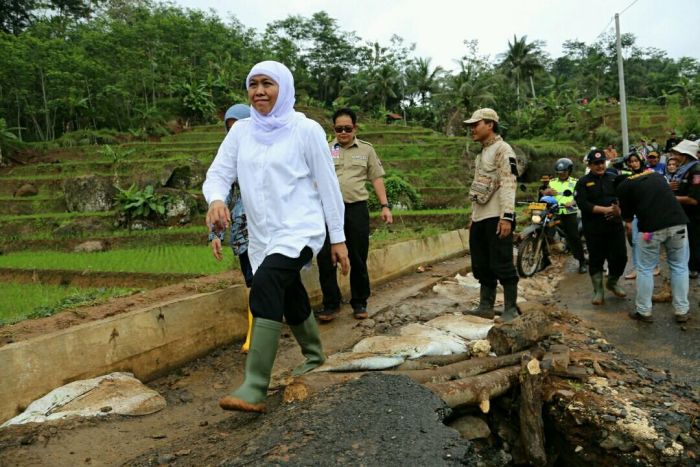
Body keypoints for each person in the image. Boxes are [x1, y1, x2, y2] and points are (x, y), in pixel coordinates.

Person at [203, 61, 349, 413]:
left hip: (300, 229)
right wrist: (217, 199)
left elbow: (328, 187)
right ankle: (314, 354)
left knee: (266, 283)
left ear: (283, 87)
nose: (259, 91)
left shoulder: (306, 130)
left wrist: (338, 238)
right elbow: (218, 173)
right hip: (261, 235)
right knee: (287, 290)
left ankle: (255, 384)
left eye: (267, 83)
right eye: (252, 84)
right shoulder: (241, 133)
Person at [316, 108, 393, 322]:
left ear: (355, 128)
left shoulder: (367, 150)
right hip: (329, 211)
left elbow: (376, 178)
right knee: (325, 257)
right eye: (339, 129)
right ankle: (331, 304)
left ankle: (359, 302)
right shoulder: (324, 149)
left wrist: (385, 206)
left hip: (356, 209)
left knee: (358, 256)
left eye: (347, 128)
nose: (343, 132)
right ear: (334, 129)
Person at [463, 108, 519, 321]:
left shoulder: (503, 150)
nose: (472, 130)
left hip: (496, 216)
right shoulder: (481, 154)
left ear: (490, 125)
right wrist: (473, 216)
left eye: (475, 125)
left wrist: (507, 217)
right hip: (480, 217)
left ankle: (510, 308)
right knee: (481, 263)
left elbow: (508, 182)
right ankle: (485, 305)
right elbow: (478, 190)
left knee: (502, 262)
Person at [615, 171, 690, 323]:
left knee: (645, 268)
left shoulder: (623, 187)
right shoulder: (655, 175)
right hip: (678, 225)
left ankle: (644, 311)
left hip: (650, 231)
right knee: (680, 266)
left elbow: (628, 218)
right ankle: (682, 310)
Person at [209, 103, 254, 353]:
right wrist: (215, 233)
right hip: (243, 233)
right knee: (253, 283)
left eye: (240, 128)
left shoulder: (270, 153)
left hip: (271, 229)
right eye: (230, 130)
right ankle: (254, 333)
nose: (235, 134)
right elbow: (221, 198)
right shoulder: (229, 162)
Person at [574, 149, 627, 305]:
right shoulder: (583, 182)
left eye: (602, 162)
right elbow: (583, 204)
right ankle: (598, 290)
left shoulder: (613, 178)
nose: (600, 166)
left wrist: (619, 210)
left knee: (620, 257)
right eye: (596, 163)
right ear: (589, 165)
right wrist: (605, 210)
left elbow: (623, 197)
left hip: (615, 227)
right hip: (594, 229)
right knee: (596, 259)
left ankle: (612, 282)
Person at [543, 158, 587, 273]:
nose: (562, 174)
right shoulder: (552, 182)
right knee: (542, 230)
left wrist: (572, 202)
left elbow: (579, 196)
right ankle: (544, 259)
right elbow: (546, 194)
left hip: (569, 213)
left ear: (569, 171)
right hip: (555, 212)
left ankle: (582, 261)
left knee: (573, 237)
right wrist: (546, 192)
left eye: (564, 172)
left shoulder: (575, 182)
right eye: (559, 172)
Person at [668, 140, 700, 279]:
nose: (675, 156)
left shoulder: (696, 171)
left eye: (679, 154)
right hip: (683, 214)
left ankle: (694, 268)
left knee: (694, 242)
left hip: (694, 215)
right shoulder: (683, 169)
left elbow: (693, 199)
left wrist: (669, 198)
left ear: (686, 155)